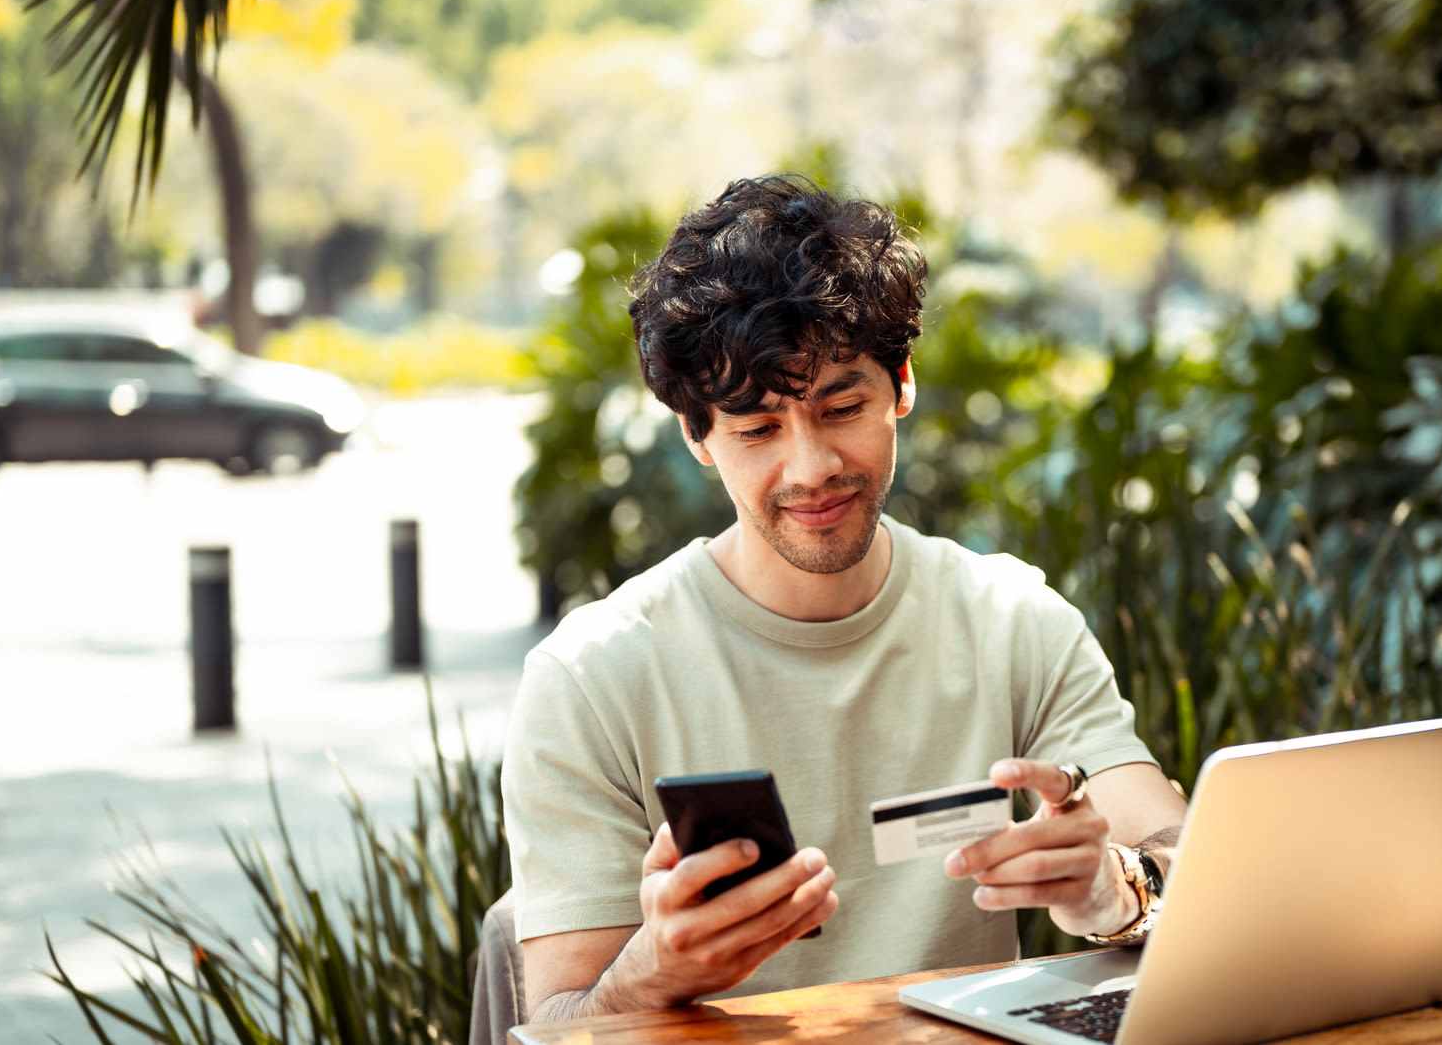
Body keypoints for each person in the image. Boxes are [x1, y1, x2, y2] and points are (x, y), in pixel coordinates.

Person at [503, 174, 1188, 1021]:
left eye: (842, 405)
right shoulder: (593, 676)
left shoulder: (1011, 620)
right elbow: (555, 1024)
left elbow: (1182, 860)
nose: (811, 467)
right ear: (698, 437)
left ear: (901, 384)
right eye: (756, 430)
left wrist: (1113, 890)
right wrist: (654, 973)